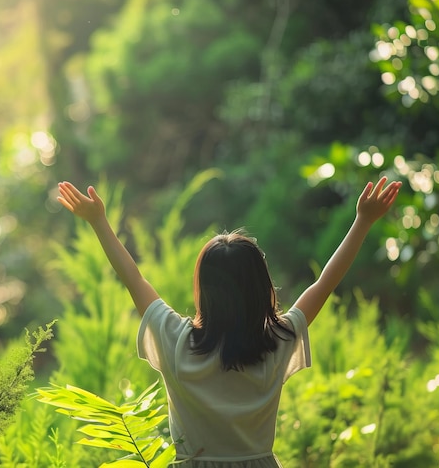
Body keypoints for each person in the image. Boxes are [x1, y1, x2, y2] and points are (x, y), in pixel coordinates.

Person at [57, 177, 401, 468]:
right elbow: (324, 283)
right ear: (261, 286)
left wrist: (98, 221)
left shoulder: (176, 342)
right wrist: (363, 221)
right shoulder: (278, 341)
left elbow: (134, 278)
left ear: (203, 290)